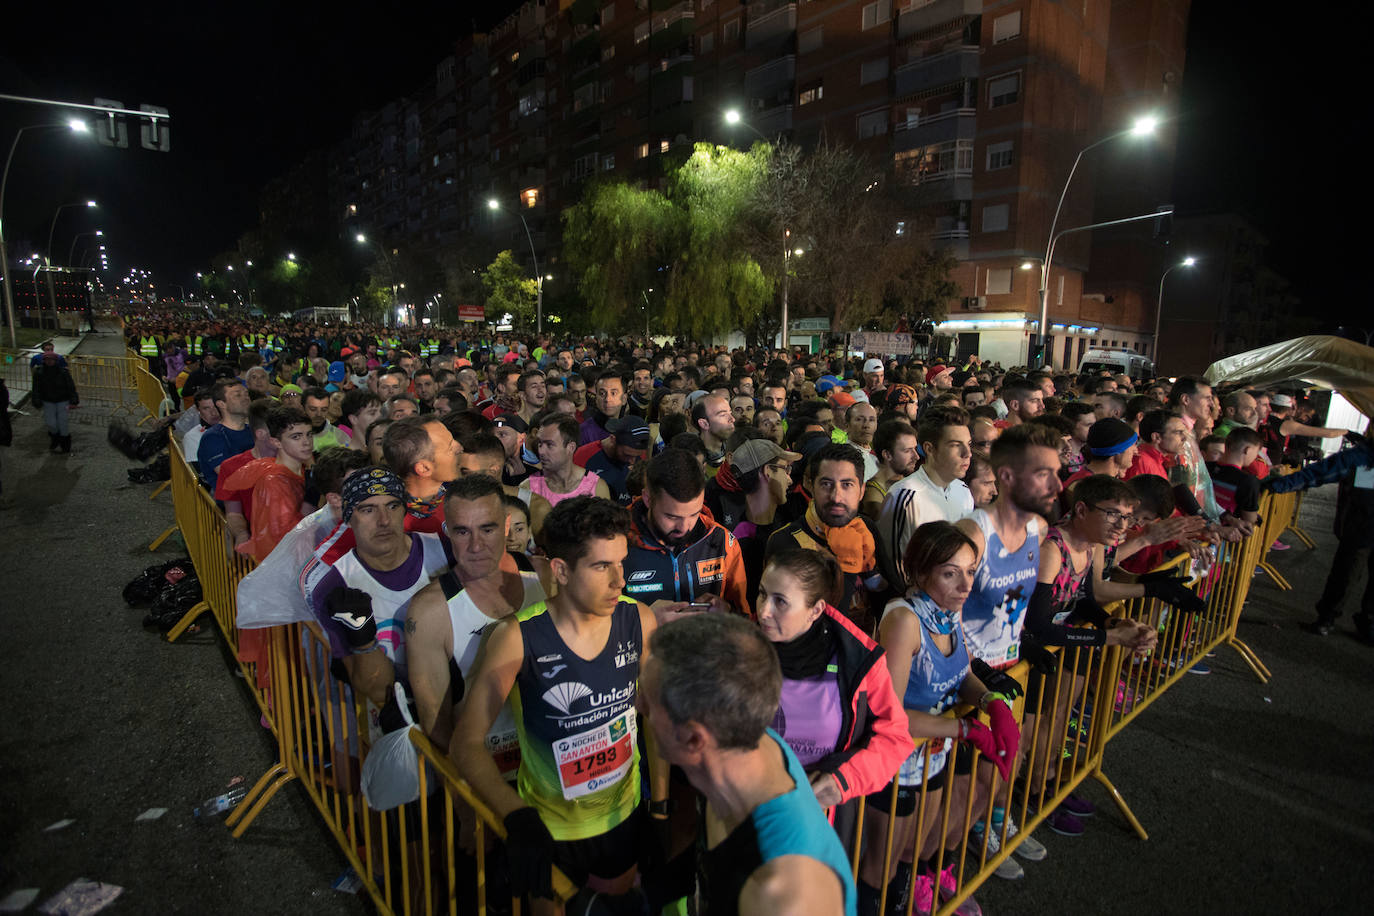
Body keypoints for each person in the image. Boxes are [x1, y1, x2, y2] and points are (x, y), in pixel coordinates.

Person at [450, 496, 664, 913]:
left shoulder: (638, 619)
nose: (620, 580)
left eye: (622, 562)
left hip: (623, 816)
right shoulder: (517, 637)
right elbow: (466, 743)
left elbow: (653, 716)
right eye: (602, 566)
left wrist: (661, 804)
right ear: (562, 570)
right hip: (550, 828)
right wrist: (515, 816)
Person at [642, 613, 857, 916]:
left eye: (650, 704)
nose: (638, 707)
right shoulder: (740, 743)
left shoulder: (782, 896)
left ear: (694, 740)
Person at [859, 522, 1016, 916]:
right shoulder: (904, 621)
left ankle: (910, 901)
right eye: (950, 573)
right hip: (896, 764)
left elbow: (961, 674)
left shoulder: (948, 613)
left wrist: (989, 700)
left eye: (970, 571)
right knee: (881, 866)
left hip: (933, 753)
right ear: (920, 573)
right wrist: (964, 728)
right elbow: (889, 715)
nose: (965, 585)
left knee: (915, 849)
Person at [406, 475, 548, 770]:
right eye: (462, 532)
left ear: (507, 526)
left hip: (550, 766)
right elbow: (437, 725)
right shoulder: (429, 611)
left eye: (488, 528)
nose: (476, 545)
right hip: (489, 772)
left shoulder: (545, 576)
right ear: (447, 532)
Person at [757, 549, 909, 816]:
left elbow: (894, 737)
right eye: (762, 594)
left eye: (780, 602)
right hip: (740, 813)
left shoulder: (858, 660)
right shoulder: (739, 647)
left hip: (813, 818)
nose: (764, 611)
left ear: (815, 610)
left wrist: (843, 780)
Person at [767, 443, 884, 629]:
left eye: (847, 485)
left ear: (862, 491)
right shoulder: (786, 542)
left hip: (866, 653)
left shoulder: (866, 528)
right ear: (811, 486)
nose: (836, 497)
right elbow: (813, 629)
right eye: (826, 484)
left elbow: (883, 602)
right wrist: (847, 564)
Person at [625, 447, 751, 618]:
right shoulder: (616, 541)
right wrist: (643, 619)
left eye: (694, 514)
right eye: (671, 516)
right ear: (647, 499)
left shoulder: (723, 542)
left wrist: (727, 611)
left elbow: (744, 620)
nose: (684, 527)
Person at [877, 406, 974, 587]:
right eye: (955, 445)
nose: (967, 454)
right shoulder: (904, 495)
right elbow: (890, 565)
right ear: (929, 448)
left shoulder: (964, 491)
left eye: (969, 444)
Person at [222, 406, 317, 561]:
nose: (306, 442)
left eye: (309, 434)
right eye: (296, 437)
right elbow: (286, 537)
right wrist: (311, 501)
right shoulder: (273, 481)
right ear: (276, 442)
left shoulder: (299, 471)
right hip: (286, 565)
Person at [525, 413, 611, 534]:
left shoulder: (597, 488)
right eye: (540, 444)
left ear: (570, 447)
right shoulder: (527, 488)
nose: (541, 451)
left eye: (549, 445)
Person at [383, 416, 462, 534]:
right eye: (450, 447)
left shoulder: (467, 495)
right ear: (424, 468)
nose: (460, 447)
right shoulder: (392, 524)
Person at [198, 379, 254, 492]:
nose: (246, 398)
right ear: (221, 404)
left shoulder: (254, 431)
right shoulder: (213, 437)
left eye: (246, 394)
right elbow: (232, 476)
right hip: (234, 502)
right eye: (238, 395)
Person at [861, 420, 920, 522]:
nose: (916, 457)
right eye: (907, 451)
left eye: (915, 449)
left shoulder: (909, 481)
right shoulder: (874, 497)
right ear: (887, 455)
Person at [31, 347, 79, 454]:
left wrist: (74, 399)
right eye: (47, 360)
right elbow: (36, 388)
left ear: (55, 361)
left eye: (51, 359)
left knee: (63, 423)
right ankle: (55, 438)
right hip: (48, 401)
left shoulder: (63, 372)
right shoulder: (39, 373)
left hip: (63, 400)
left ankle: (65, 445)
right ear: (44, 361)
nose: (49, 361)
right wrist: (36, 399)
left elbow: (70, 386)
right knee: (51, 423)